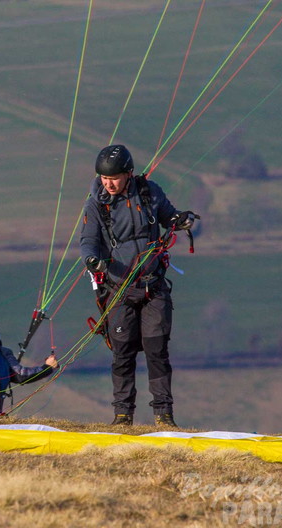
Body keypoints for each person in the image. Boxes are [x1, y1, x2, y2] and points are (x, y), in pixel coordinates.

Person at [80, 145, 196, 427]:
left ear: (128, 174)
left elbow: (169, 215)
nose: (108, 183)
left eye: (115, 178)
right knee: (122, 353)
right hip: (119, 289)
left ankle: (164, 414)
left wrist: (180, 220)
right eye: (104, 178)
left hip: (153, 286)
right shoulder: (96, 204)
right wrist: (92, 260)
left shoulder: (149, 192)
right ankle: (122, 415)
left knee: (157, 350)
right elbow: (88, 241)